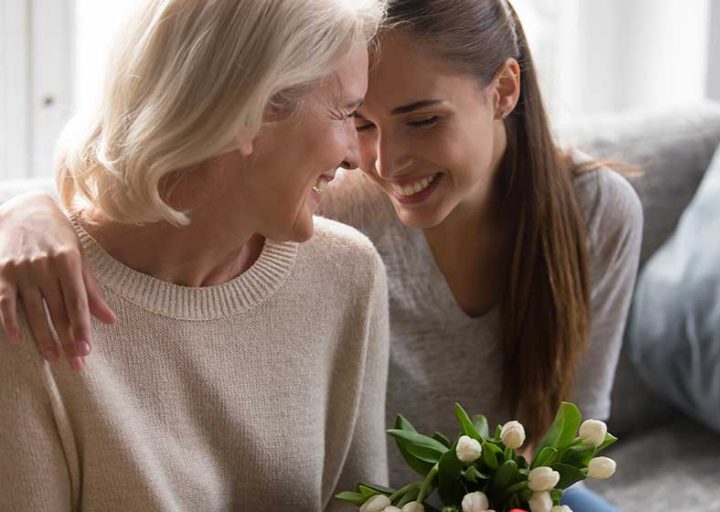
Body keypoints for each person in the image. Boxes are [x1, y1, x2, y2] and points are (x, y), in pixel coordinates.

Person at [0, 0, 642, 510]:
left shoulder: (341, 260)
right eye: (356, 119)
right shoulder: (328, 211)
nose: (374, 163)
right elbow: (166, 170)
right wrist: (23, 212)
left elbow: (571, 431)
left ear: (504, 91)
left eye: (423, 120)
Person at [0, 0, 390, 510]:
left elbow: (362, 501)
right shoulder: (33, 300)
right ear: (250, 111)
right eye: (344, 112)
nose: (354, 156)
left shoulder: (348, 276)